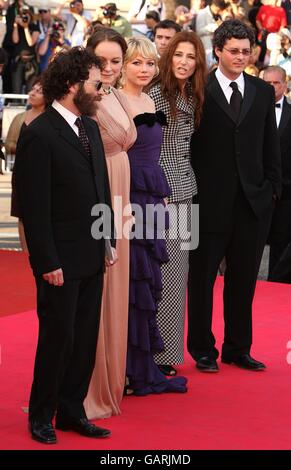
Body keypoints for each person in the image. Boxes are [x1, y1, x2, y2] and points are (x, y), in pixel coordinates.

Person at [15, 47, 115, 444]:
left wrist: (106, 239)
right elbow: (34, 208)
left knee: (85, 338)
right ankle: (41, 414)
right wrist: (47, 261)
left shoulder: (89, 126)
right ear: (73, 84)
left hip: (91, 252)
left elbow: (100, 188)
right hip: (59, 260)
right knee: (58, 339)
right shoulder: (39, 133)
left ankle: (72, 411)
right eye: (95, 82)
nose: (101, 87)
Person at [188, 19, 281, 373]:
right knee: (202, 280)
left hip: (253, 203)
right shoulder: (198, 89)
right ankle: (202, 349)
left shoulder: (260, 91)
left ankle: (238, 348)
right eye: (234, 51)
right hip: (207, 204)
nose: (241, 57)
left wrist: (272, 189)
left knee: (243, 281)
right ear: (218, 51)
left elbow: (269, 144)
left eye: (246, 51)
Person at [120, 37, 187, 395]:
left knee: (145, 283)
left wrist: (160, 199)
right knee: (128, 284)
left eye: (150, 64)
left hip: (151, 198)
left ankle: (140, 367)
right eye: (137, 63)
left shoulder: (149, 98)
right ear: (122, 67)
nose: (145, 70)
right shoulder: (112, 101)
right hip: (126, 198)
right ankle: (124, 368)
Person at [148, 31, 207, 376]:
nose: (184, 62)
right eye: (179, 55)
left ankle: (169, 353)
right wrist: (157, 186)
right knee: (161, 275)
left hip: (188, 191)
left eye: (191, 56)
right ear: (169, 58)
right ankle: (154, 353)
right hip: (162, 195)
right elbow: (145, 148)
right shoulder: (156, 93)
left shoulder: (194, 94)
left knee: (178, 276)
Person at [84, 28, 136, 418]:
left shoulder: (116, 94)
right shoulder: (84, 98)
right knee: (97, 286)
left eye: (115, 61)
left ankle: (112, 379)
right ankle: (87, 386)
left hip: (122, 196)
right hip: (97, 194)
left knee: (117, 286)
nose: (109, 68)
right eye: (101, 62)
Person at [7, 78, 48, 251]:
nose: (32, 93)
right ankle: (25, 254)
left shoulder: (50, 120)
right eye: (32, 89)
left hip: (44, 174)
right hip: (22, 173)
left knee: (43, 214)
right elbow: (9, 144)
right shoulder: (20, 118)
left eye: (38, 91)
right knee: (22, 214)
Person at [263, 66, 291, 283]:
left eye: (276, 83)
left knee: (281, 243)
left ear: (285, 84)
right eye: (267, 83)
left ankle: (275, 285)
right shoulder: (248, 110)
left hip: (286, 192)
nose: (271, 88)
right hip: (258, 188)